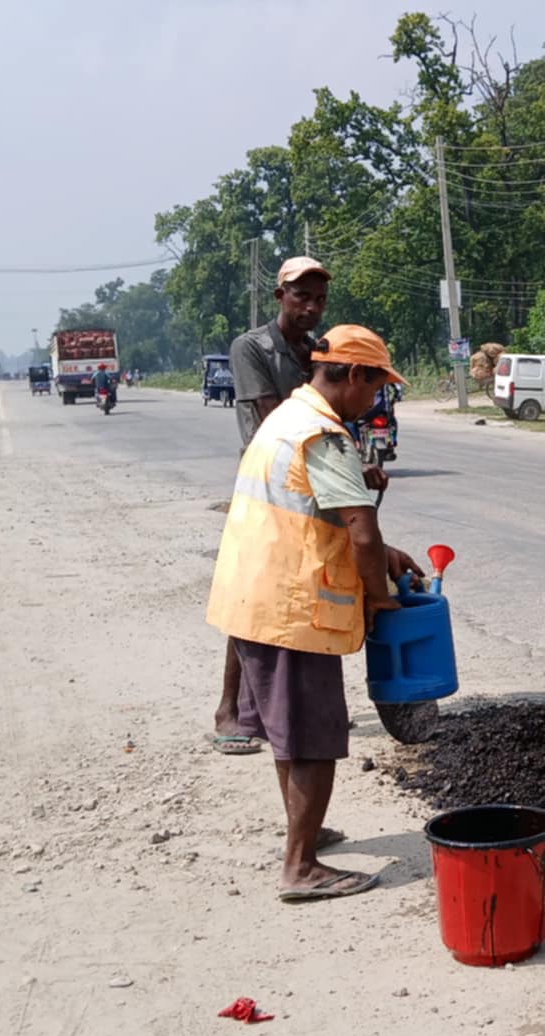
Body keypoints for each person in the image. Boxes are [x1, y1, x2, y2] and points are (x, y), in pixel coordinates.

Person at [206, 325, 425, 902]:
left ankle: (305, 834)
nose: (375, 400)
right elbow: (360, 529)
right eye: (375, 386)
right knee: (314, 739)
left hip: (253, 596)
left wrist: (386, 555)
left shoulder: (285, 418)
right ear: (354, 376)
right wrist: (380, 596)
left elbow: (314, 514)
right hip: (293, 607)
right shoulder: (325, 437)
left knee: (288, 732)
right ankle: (300, 867)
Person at [212, 256, 330, 757]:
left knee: (300, 593)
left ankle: (277, 703)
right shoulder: (252, 347)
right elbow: (274, 421)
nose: (311, 307)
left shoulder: (315, 351)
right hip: (266, 486)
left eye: (319, 299)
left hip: (310, 483)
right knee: (252, 596)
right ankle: (229, 709)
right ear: (280, 296)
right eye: (301, 296)